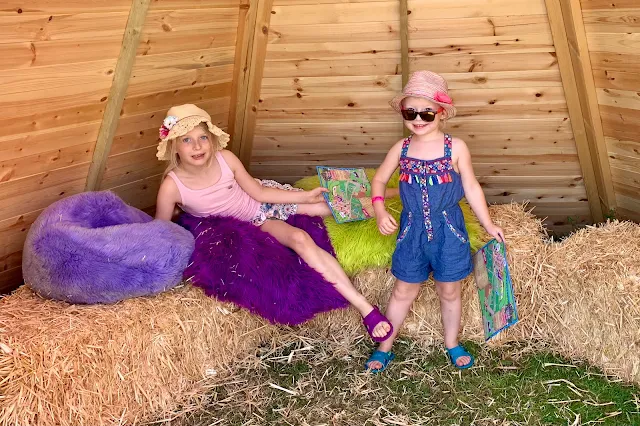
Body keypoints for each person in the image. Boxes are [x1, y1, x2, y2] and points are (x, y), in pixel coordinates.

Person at [154, 104, 393, 342]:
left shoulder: (225, 159)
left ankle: (389, 193)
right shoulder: (172, 186)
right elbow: (160, 231)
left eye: (203, 137)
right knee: (300, 238)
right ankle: (365, 308)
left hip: (261, 207)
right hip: (246, 227)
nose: (197, 146)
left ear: (212, 139)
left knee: (326, 205)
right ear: (174, 146)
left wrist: (303, 197)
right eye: (186, 140)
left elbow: (259, 193)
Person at [365, 71, 505, 373]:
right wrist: (379, 209)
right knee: (403, 290)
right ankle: (385, 345)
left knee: (449, 290)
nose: (418, 119)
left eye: (426, 112)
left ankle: (452, 343)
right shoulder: (401, 148)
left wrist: (488, 223)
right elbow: (378, 180)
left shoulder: (455, 148)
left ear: (441, 112)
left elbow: (471, 186)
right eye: (410, 112)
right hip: (411, 230)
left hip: (449, 230)